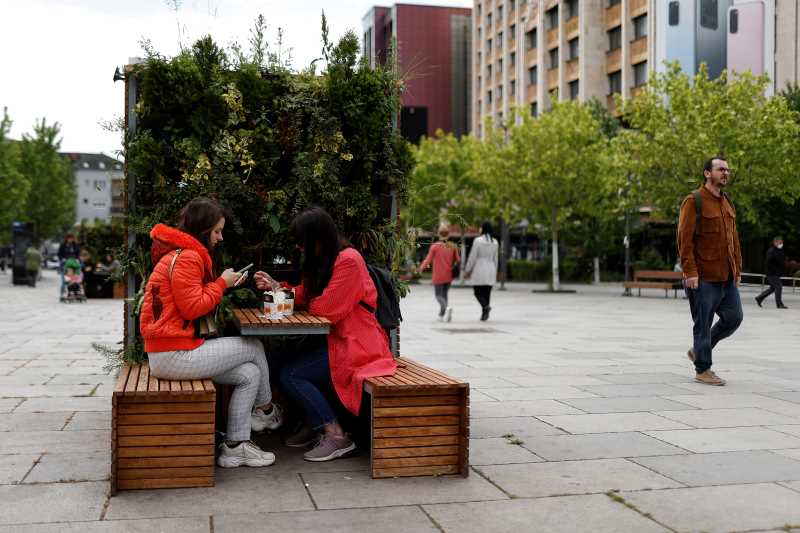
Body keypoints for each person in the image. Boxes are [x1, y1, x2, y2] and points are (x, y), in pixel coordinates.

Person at [139, 197, 282, 468]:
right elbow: (193, 308)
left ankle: (235, 446)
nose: (220, 237)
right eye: (217, 231)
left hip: (171, 351)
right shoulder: (188, 257)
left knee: (249, 374)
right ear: (204, 230)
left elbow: (191, 300)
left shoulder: (181, 254)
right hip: (174, 354)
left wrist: (222, 284)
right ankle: (266, 411)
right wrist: (220, 283)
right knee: (254, 347)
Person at [255, 207, 396, 462]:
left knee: (292, 374)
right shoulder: (327, 260)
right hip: (335, 341)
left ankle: (337, 435)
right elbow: (309, 295)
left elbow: (327, 310)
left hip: (358, 345)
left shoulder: (349, 260)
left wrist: (306, 298)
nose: (299, 247)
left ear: (317, 239)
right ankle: (314, 423)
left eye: (302, 242)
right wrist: (278, 288)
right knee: (275, 360)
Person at [677, 156, 743, 386]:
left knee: (734, 318)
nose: (726, 173)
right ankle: (703, 369)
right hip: (703, 276)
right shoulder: (693, 201)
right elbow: (685, 241)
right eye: (720, 169)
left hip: (726, 276)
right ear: (707, 173)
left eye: (727, 170)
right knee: (702, 323)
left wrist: (737, 268)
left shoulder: (727, 202)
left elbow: (734, 239)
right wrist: (690, 272)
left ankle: (698, 351)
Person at [419, 224, 460, 322]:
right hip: (449, 275)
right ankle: (442, 315)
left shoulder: (435, 246)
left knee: (438, 295)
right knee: (444, 295)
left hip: (438, 275)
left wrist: (421, 268)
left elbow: (428, 259)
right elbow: (458, 260)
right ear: (448, 234)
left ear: (439, 234)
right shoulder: (453, 246)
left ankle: (446, 308)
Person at [464, 221, 499, 321]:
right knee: (487, 292)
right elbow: (495, 258)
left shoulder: (478, 241)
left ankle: (485, 307)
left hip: (480, 268)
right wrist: (495, 271)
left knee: (477, 292)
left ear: (483, 228)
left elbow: (472, 256)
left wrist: (467, 270)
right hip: (491, 268)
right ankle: (485, 313)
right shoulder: (495, 241)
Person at [756, 236, 788, 309]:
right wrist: (774, 271)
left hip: (776, 273)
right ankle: (779, 304)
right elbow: (768, 263)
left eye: (782, 242)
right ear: (775, 243)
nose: (781, 244)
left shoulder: (780, 250)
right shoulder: (771, 251)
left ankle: (759, 298)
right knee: (778, 286)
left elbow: (781, 262)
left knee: (773, 288)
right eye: (780, 242)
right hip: (771, 273)